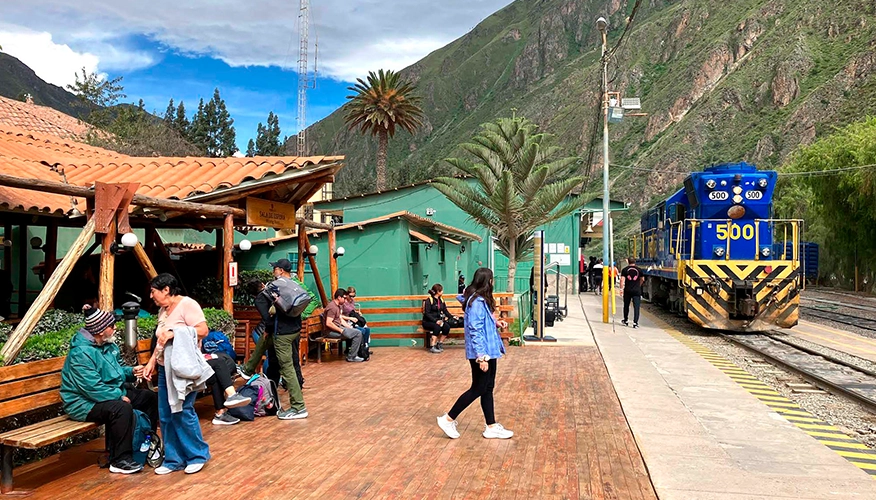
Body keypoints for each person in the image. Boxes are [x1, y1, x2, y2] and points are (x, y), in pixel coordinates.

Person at [60, 305, 158, 474]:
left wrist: (131, 372)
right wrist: (119, 396)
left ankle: (145, 445)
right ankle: (120, 459)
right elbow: (92, 388)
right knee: (121, 408)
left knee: (148, 397)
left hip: (108, 393)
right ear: (100, 330)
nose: (115, 328)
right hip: (82, 403)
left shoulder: (108, 345)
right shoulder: (80, 353)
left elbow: (117, 370)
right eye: (112, 326)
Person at [142, 273, 213, 475]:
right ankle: (173, 459)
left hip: (184, 369)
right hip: (165, 369)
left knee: (183, 411)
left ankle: (197, 455)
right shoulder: (163, 311)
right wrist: (151, 362)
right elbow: (161, 341)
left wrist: (175, 332)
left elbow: (203, 330)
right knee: (165, 414)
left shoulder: (187, 305)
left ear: (166, 290)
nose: (151, 296)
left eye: (153, 291)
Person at [437, 267, 513, 440]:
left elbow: (482, 322)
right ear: (488, 282)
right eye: (492, 279)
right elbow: (475, 329)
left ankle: (491, 426)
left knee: (487, 388)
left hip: (489, 350)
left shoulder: (479, 300)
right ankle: (448, 419)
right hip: (483, 352)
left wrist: (496, 323)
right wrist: (481, 357)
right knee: (478, 388)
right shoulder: (477, 302)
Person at [239, 274, 318, 389]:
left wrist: (268, 330)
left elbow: (269, 319)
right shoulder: (275, 290)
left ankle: (266, 382)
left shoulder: (263, 297)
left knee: (276, 361)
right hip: (286, 329)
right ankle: (282, 385)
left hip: (276, 331)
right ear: (262, 284)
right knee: (282, 361)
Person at [253, 259, 309, 420]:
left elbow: (272, 311)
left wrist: (269, 325)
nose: (273, 272)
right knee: (286, 364)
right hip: (294, 329)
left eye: (275, 269)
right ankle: (248, 369)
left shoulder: (277, 286)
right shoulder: (296, 285)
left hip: (282, 331)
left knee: (286, 368)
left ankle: (298, 407)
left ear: (281, 270)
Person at [203, 347, 250, 425]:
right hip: (187, 366)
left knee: (225, 360)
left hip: (194, 361)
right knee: (219, 363)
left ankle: (220, 412)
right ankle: (232, 395)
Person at [324, 289, 365, 362]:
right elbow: (329, 323)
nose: (346, 300)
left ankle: (355, 354)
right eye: (344, 298)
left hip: (338, 328)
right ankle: (352, 357)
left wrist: (349, 327)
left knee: (357, 331)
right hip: (331, 332)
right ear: (339, 297)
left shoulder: (338, 306)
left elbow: (340, 319)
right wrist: (341, 330)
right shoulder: (332, 307)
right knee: (358, 334)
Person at [422, 284, 452, 354]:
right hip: (428, 321)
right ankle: (433, 346)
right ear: (438, 291)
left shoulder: (441, 300)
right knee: (437, 327)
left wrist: (452, 317)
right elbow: (427, 313)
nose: (443, 292)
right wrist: (435, 320)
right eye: (441, 290)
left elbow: (445, 311)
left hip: (438, 321)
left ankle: (440, 343)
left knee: (446, 327)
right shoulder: (429, 300)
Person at [620, 258, 644, 328]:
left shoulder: (625, 270)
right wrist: (639, 285)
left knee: (626, 305)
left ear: (628, 262)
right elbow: (642, 279)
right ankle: (635, 323)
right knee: (636, 307)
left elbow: (622, 280)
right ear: (635, 262)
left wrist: (621, 289)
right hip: (636, 291)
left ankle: (625, 320)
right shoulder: (639, 270)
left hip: (627, 290)